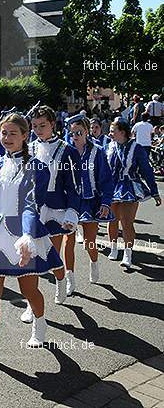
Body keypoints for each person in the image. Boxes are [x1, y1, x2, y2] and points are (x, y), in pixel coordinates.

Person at [0, 113, 63, 371]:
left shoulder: (37, 167)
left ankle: (40, 322)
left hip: (25, 234)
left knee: (29, 290)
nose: (7, 138)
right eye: (3, 133)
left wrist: (27, 235)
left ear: (26, 136)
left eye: (14, 133)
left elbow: (31, 204)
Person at [26, 105, 79, 312]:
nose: (38, 130)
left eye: (43, 125)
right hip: (33, 209)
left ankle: (60, 280)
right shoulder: (28, 148)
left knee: (52, 255)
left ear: (53, 125)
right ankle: (32, 303)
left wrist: (72, 212)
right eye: (35, 126)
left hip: (56, 209)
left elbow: (73, 187)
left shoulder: (67, 151)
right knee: (32, 256)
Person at [66, 115, 114, 287]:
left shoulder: (98, 151)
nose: (75, 136)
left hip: (91, 202)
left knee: (89, 243)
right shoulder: (65, 151)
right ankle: (69, 279)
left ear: (87, 132)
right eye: (72, 133)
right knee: (68, 241)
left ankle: (94, 263)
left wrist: (105, 202)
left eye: (79, 132)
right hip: (69, 203)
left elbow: (107, 179)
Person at [107, 118, 161, 267]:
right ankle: (113, 247)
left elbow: (147, 170)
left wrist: (154, 191)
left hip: (130, 187)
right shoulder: (109, 146)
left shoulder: (137, 148)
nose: (110, 134)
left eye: (113, 131)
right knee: (112, 220)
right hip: (111, 187)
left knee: (127, 222)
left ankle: (127, 254)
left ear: (122, 132)